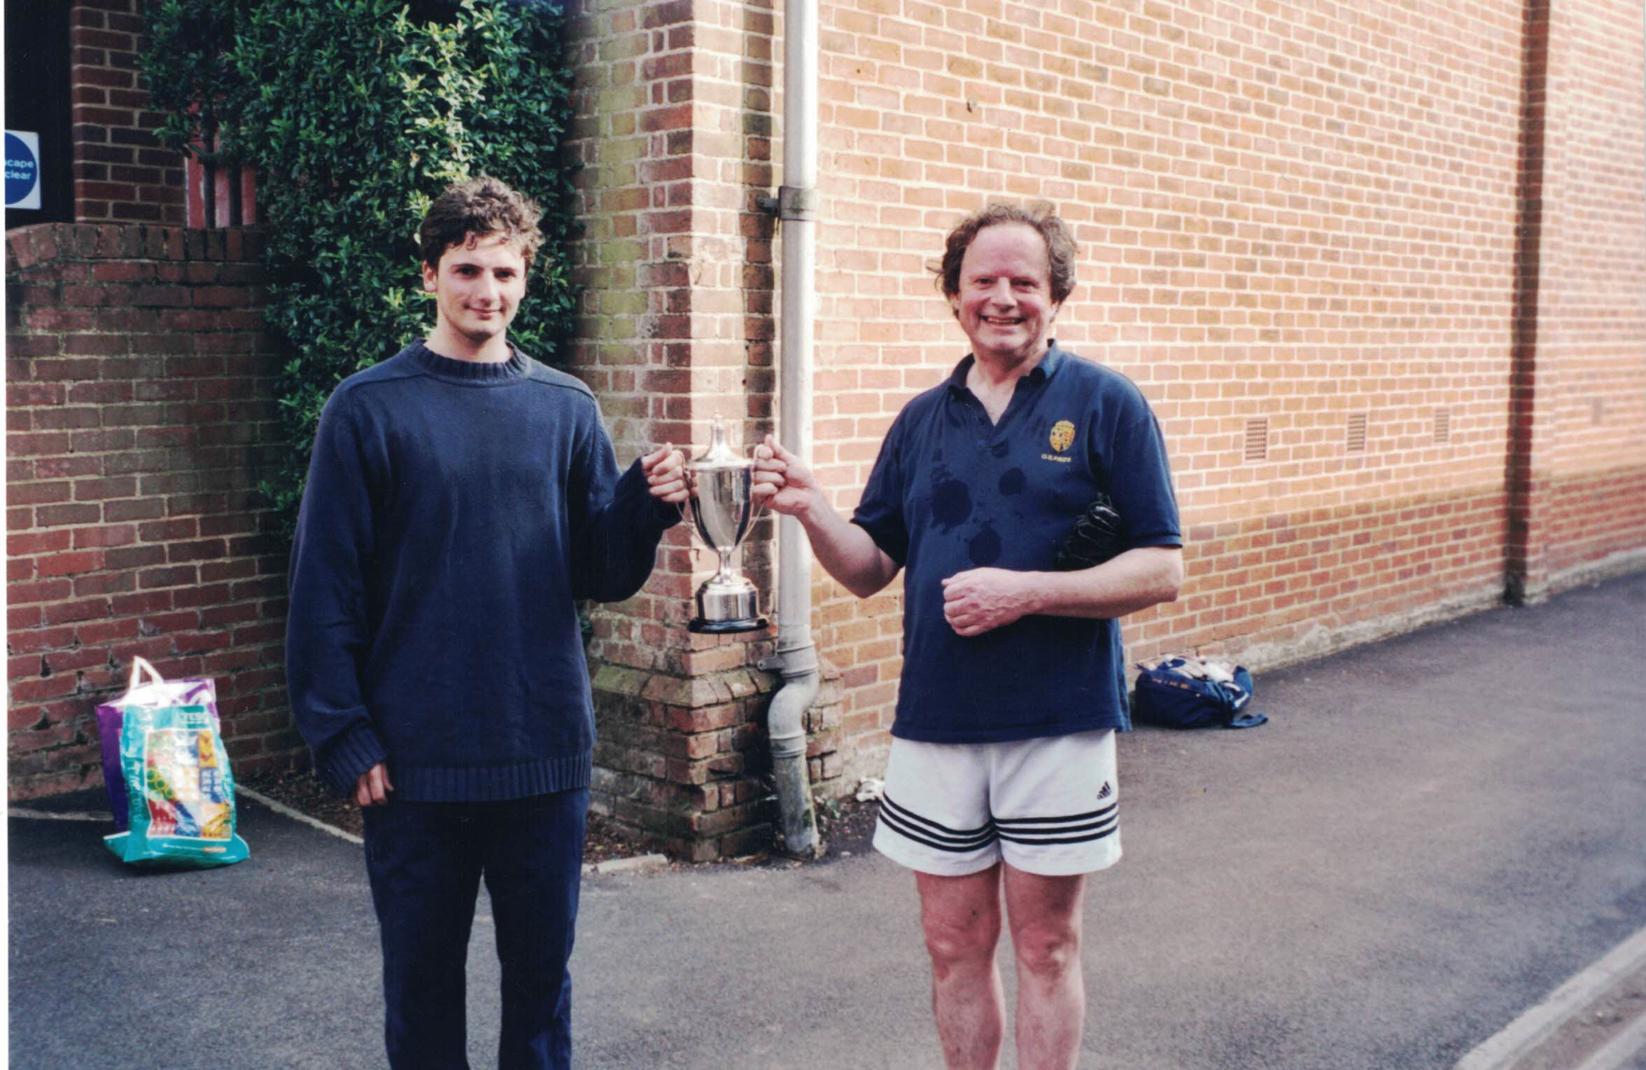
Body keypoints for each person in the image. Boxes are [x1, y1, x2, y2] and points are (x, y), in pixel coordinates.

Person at [754, 203, 1183, 1070]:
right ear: (953, 296)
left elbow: (1161, 568)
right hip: (938, 724)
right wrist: (810, 507)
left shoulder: (1107, 404)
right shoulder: (922, 421)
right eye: (983, 280)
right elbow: (873, 566)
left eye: (1025, 281)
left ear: (1057, 296)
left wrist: (1028, 592)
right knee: (952, 948)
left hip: (1058, 722)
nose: (1003, 297)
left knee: (1046, 948)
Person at [284, 175, 686, 1069]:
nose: (486, 291)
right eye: (467, 269)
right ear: (429, 274)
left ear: (525, 279)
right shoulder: (368, 408)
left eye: (504, 272)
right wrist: (343, 734)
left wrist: (645, 510)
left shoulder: (566, 408)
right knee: (422, 992)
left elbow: (599, 574)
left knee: (540, 994)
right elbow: (324, 588)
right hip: (415, 764)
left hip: (542, 755)